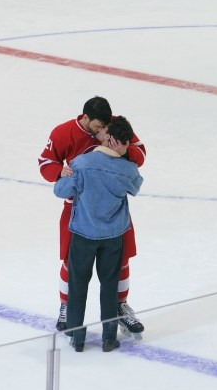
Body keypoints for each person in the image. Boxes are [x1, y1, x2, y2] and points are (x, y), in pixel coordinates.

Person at [38, 96, 148, 335]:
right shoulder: (63, 132)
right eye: (98, 126)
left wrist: (126, 150)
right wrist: (60, 171)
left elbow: (141, 153)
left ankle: (120, 306)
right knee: (71, 261)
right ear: (85, 118)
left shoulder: (115, 125)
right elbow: (45, 162)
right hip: (79, 210)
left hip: (113, 208)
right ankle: (66, 306)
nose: (102, 130)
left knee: (122, 259)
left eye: (105, 125)